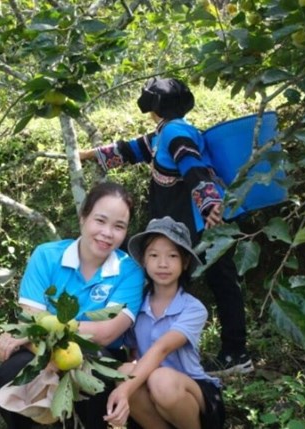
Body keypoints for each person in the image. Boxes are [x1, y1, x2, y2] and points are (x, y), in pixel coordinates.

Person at [80, 77, 253, 375]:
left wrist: (211, 206)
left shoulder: (174, 133)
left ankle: (234, 353)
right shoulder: (166, 134)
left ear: (153, 107)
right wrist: (86, 156)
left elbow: (193, 167)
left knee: (220, 284)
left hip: (198, 227)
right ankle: (219, 352)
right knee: (219, 283)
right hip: (185, 227)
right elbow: (132, 149)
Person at [0, 181, 145, 429]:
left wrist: (43, 327)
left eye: (119, 226)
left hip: (97, 353)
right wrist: (40, 340)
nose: (107, 232)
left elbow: (106, 333)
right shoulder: (46, 256)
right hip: (40, 347)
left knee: (94, 381)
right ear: (83, 217)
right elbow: (30, 316)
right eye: (100, 220)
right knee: (8, 375)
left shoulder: (130, 272)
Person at [104, 216, 225, 429]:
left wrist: (123, 391)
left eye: (172, 256)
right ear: (144, 260)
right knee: (123, 372)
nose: (162, 264)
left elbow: (162, 349)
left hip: (192, 395)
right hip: (151, 396)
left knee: (161, 380)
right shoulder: (135, 306)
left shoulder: (192, 308)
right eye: (154, 255)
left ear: (185, 262)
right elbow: (132, 351)